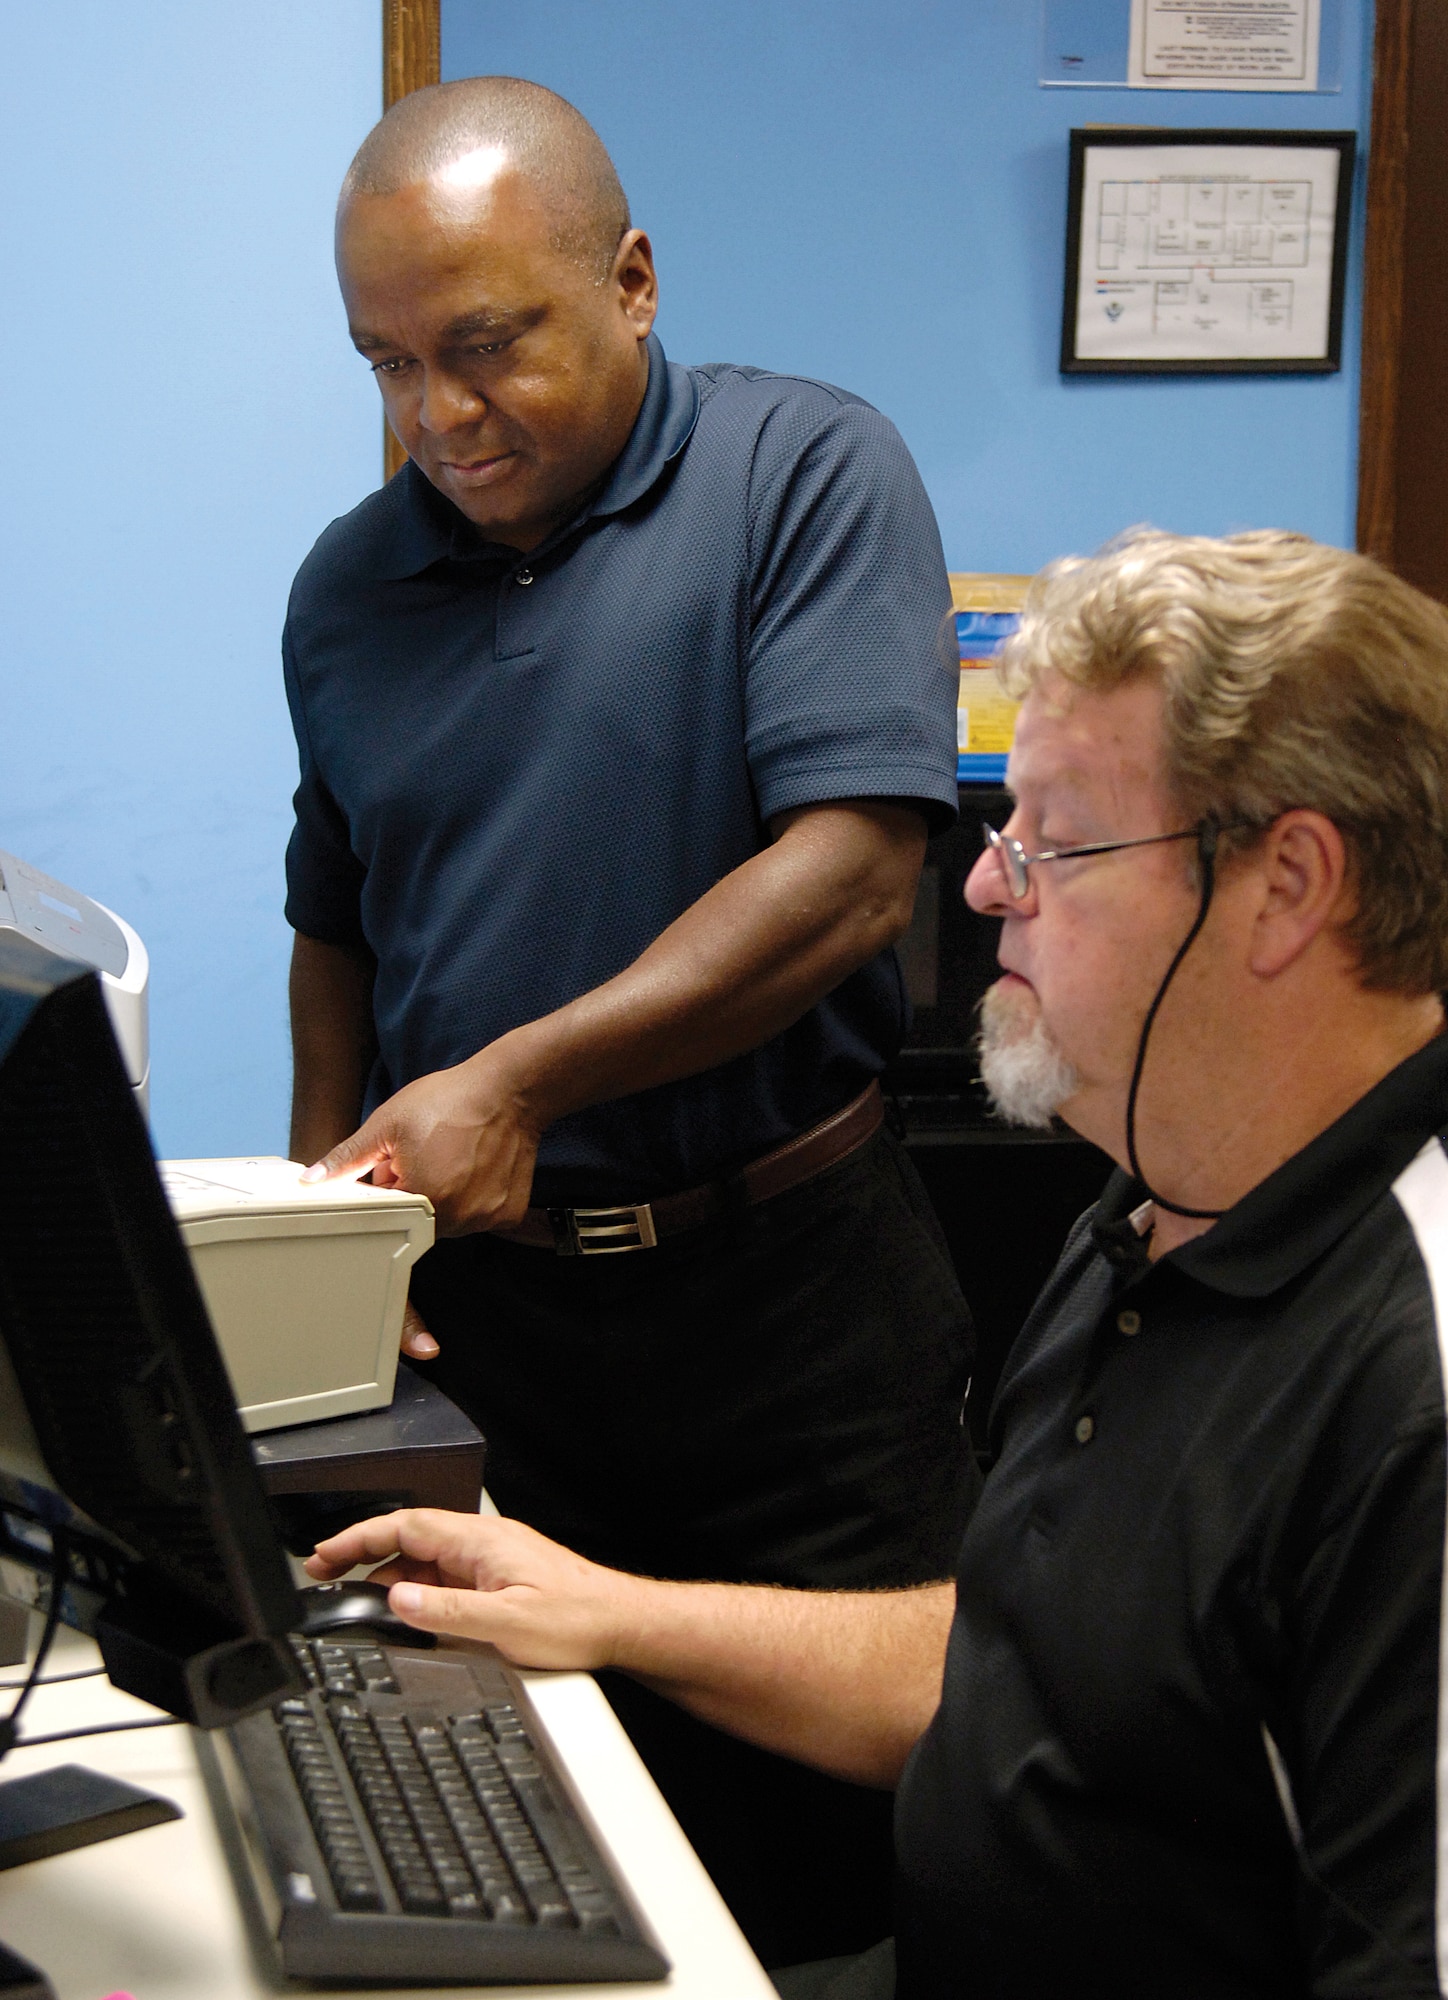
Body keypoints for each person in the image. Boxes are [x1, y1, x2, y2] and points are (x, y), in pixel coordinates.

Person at [306, 529, 1448, 1998]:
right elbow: (1028, 1661)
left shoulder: (1408, 1383)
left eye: (1056, 842)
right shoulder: (1155, 1216)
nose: (984, 892)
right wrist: (602, 1604)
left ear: (1289, 884)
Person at [282, 76, 974, 1964]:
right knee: (516, 1856)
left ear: (636, 281)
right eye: (389, 363)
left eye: (486, 346)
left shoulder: (805, 476)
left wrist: (519, 1078)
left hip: (790, 1323)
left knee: (844, 1889)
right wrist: (328, 1218)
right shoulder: (348, 588)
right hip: (503, 1346)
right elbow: (334, 929)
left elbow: (851, 871)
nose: (437, 415)